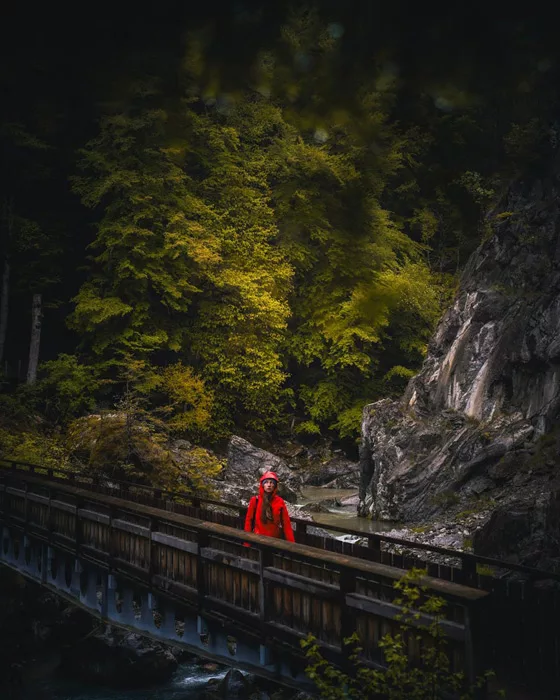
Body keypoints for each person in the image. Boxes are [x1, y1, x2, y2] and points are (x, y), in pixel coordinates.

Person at [244, 471, 295, 542]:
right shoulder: (255, 500)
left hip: (274, 541)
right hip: (257, 539)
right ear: (262, 485)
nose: (269, 485)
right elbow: (248, 521)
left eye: (272, 482)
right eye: (266, 482)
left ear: (275, 486)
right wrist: (247, 541)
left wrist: (291, 543)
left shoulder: (279, 501)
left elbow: (286, 524)